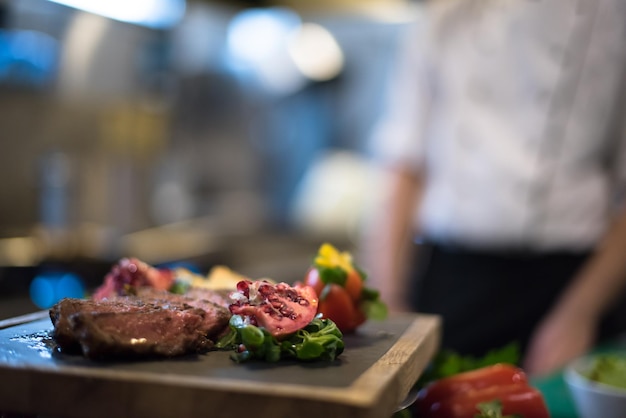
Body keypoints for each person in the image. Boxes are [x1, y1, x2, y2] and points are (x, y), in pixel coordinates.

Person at [361, 0, 626, 377]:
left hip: (572, 283)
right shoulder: (447, 13)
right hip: (450, 280)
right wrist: (388, 295)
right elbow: (405, 162)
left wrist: (580, 312)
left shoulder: (614, 16)